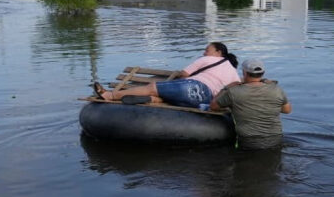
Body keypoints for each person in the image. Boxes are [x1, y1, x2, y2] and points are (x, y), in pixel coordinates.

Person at [94, 42, 241, 108]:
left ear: (218, 53)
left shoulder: (208, 59)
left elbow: (184, 74)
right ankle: (153, 100)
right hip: (206, 100)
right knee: (168, 96)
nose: (204, 53)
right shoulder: (235, 74)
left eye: (207, 50)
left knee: (152, 86)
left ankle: (111, 96)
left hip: (195, 87)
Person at [210, 58, 292, 149]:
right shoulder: (277, 89)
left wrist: (226, 88)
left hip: (249, 142)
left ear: (244, 73)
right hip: (276, 139)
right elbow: (287, 110)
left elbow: (213, 106)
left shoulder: (233, 92)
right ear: (263, 73)